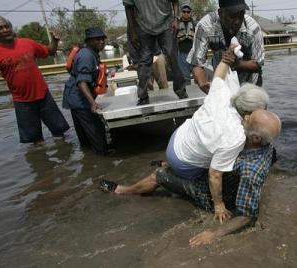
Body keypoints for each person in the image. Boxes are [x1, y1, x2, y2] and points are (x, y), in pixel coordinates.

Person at [101, 44, 272, 223]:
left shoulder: (223, 94)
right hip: (184, 161)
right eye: (262, 111)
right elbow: (214, 174)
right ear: (248, 115)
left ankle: (171, 164)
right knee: (165, 175)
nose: (264, 113)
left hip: (178, 139)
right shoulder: (235, 135)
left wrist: (225, 59)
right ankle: (125, 190)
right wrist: (219, 205)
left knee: (216, 152)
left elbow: (219, 75)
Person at [99, 108, 281, 247]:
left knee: (159, 175)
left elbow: (247, 216)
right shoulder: (266, 147)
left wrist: (214, 234)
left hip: (208, 192)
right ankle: (171, 165)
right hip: (223, 176)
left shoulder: (251, 171)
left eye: (249, 119)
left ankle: (125, 190)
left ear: (256, 138)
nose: (245, 117)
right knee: (185, 161)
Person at [0, 16, 69, 144]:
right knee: (36, 141)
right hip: (22, 101)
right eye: (0, 28)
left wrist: (55, 40)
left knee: (59, 133)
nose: (5, 30)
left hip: (44, 95)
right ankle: (41, 162)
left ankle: (65, 159)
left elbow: (50, 52)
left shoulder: (27, 42)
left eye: (6, 26)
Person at [187, 0, 265, 94]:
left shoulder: (253, 29)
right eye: (232, 16)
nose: (237, 21)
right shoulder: (205, 26)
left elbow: (258, 64)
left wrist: (237, 64)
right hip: (222, 84)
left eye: (241, 15)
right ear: (220, 13)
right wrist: (203, 84)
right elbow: (196, 62)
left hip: (249, 86)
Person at [123, 0, 188, 105]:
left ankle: (181, 91)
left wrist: (177, 19)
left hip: (166, 24)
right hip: (143, 27)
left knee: (172, 55)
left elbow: (175, 2)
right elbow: (128, 9)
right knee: (144, 60)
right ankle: (143, 96)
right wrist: (132, 31)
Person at [62, 27, 109, 155]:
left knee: (85, 135)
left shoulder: (91, 53)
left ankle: (88, 159)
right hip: (80, 99)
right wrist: (92, 103)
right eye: (97, 39)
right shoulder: (86, 56)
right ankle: (102, 156)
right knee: (96, 130)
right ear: (89, 41)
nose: (101, 42)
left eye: (103, 39)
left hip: (75, 98)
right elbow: (82, 82)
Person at [176, 3, 196, 84]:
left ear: (190, 13)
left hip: (193, 53)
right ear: (181, 12)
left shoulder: (195, 24)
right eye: (184, 11)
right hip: (182, 53)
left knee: (197, 75)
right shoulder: (176, 24)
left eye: (188, 12)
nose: (186, 13)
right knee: (185, 77)